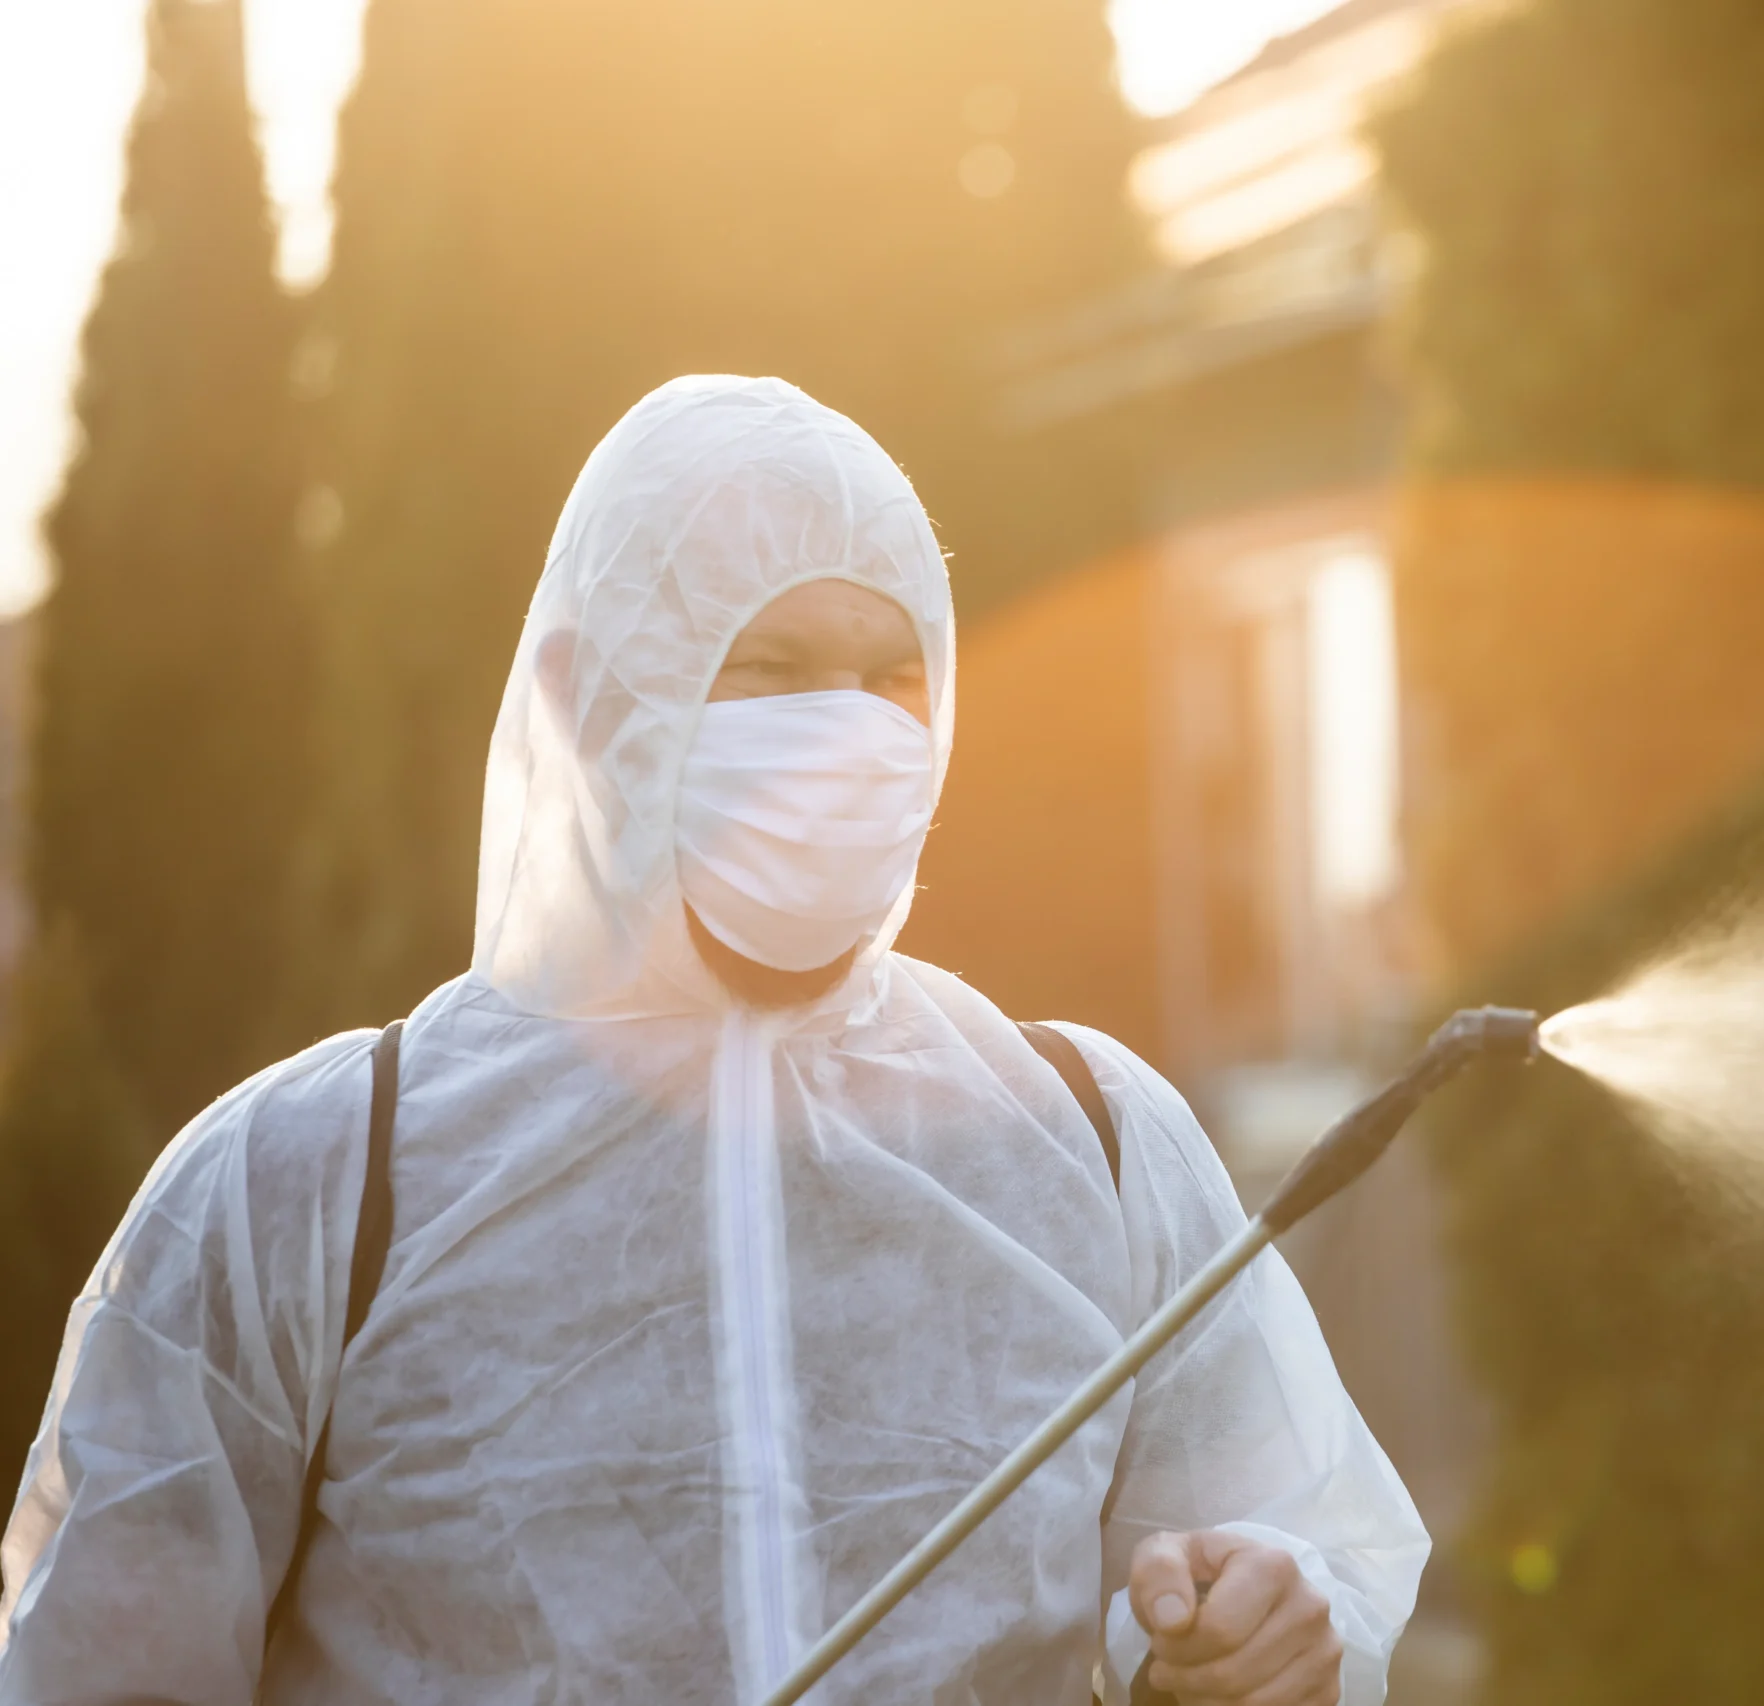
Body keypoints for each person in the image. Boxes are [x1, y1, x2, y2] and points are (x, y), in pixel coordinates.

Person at [0, 377, 1428, 1706]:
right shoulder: (306, 1181)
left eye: (894, 678)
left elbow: (1293, 1557)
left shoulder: (1093, 1139)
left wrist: (1256, 1627)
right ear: (580, 689)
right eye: (775, 665)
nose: (849, 731)